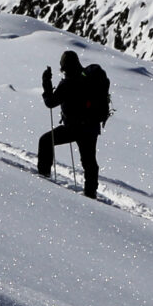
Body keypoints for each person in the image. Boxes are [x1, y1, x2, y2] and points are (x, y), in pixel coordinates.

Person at [36, 49, 108, 198]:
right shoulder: (89, 77)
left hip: (73, 128)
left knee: (46, 141)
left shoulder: (67, 83)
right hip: (91, 127)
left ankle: (43, 177)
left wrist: (46, 83)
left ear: (65, 67)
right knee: (89, 161)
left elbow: (50, 102)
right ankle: (90, 193)